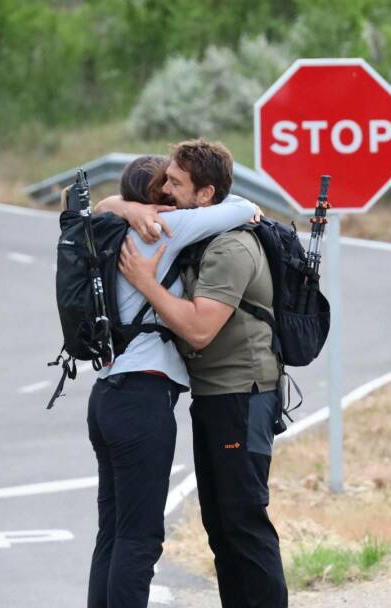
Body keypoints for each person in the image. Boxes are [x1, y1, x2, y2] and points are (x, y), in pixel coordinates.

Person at [83, 154, 263, 608]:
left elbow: (86, 206)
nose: (169, 194)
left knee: (113, 532)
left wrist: (119, 205)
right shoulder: (163, 228)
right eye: (165, 187)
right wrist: (143, 210)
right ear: (154, 200)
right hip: (143, 397)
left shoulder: (104, 230)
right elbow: (238, 207)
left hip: (106, 394)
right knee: (139, 539)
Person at [117, 139, 288, 608]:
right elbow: (107, 206)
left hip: (243, 396)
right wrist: (127, 207)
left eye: (175, 182)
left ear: (206, 194)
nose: (165, 189)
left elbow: (198, 330)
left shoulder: (231, 247)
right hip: (216, 397)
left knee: (243, 522)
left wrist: (146, 284)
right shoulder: (205, 230)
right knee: (221, 524)